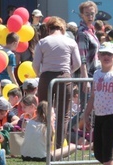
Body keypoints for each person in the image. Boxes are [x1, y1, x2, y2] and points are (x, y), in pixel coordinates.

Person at [33, 16, 81, 146]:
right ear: (63, 29)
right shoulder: (71, 42)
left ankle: (44, 144)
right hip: (64, 78)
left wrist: (41, 75)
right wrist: (68, 72)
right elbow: (78, 63)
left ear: (49, 29)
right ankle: (59, 145)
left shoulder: (42, 42)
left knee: (44, 111)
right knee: (63, 115)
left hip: (46, 77)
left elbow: (35, 65)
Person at [76, 1, 100, 78]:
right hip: (86, 76)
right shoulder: (82, 33)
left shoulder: (92, 31)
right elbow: (81, 57)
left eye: (92, 13)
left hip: (94, 74)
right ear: (82, 15)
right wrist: (85, 79)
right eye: (87, 14)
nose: (90, 16)